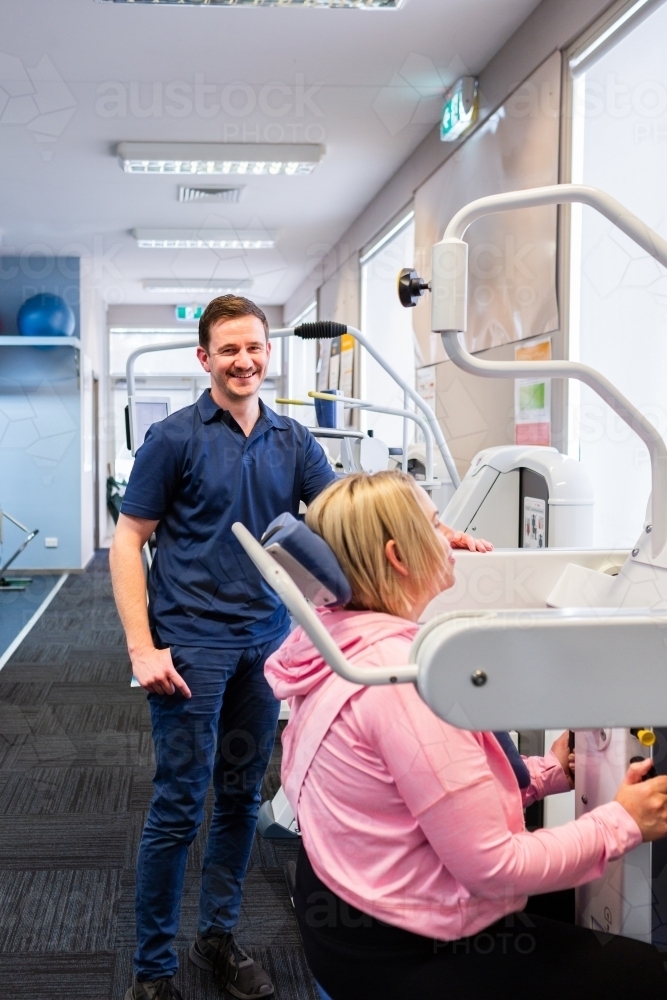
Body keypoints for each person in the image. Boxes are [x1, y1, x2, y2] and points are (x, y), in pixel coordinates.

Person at [264, 470, 667, 1000]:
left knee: (577, 906)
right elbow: (496, 868)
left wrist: (550, 773)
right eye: (435, 523)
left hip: (348, 915)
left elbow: (421, 799)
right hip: (401, 952)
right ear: (398, 557)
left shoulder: (336, 643)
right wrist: (624, 821)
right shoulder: (400, 684)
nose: (449, 535)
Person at [110, 296, 339, 1000]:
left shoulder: (292, 440)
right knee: (180, 803)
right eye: (229, 349)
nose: (244, 360)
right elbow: (128, 540)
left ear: (268, 354)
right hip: (190, 644)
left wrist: (434, 531)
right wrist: (142, 649)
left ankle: (218, 936)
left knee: (240, 797)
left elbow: (344, 517)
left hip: (263, 644)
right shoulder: (173, 438)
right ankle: (152, 969)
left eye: (255, 348)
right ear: (204, 358)